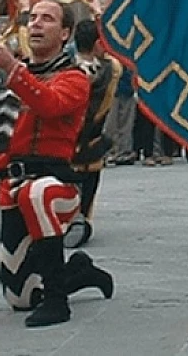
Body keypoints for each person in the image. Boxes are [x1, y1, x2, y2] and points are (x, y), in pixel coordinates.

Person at [0, 0, 114, 326]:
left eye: (47, 19)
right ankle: (79, 271)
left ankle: (57, 300)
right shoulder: (16, 70)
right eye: (33, 18)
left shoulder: (74, 77)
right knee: (20, 299)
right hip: (12, 184)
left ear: (65, 33)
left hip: (58, 186)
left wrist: (11, 69)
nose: (35, 24)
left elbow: (48, 104)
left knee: (35, 194)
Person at [66, 19, 120, 248]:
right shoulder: (110, 70)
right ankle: (82, 221)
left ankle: (67, 220)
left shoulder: (64, 67)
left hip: (66, 140)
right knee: (88, 186)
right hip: (91, 139)